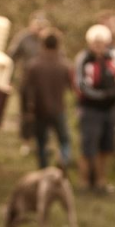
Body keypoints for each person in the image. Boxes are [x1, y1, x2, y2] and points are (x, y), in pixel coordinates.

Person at [75, 24, 115, 193]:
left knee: (106, 146)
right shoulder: (84, 59)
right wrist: (100, 95)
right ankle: (84, 181)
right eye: (95, 43)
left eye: (101, 43)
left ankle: (100, 181)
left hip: (109, 109)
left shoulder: (113, 59)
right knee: (88, 146)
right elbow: (81, 84)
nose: (98, 46)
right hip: (90, 108)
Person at [22, 30, 73, 169]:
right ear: (58, 45)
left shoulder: (34, 65)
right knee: (64, 140)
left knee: (41, 143)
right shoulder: (64, 65)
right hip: (59, 109)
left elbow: (25, 90)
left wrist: (27, 110)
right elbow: (73, 86)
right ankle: (64, 161)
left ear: (42, 44)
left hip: (40, 110)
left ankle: (44, 171)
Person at [7, 11, 50, 154]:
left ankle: (41, 142)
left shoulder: (47, 40)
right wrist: (9, 78)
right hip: (27, 81)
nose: (39, 28)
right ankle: (26, 141)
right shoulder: (23, 38)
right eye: (37, 24)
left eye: (42, 25)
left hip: (44, 83)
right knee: (26, 112)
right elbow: (12, 57)